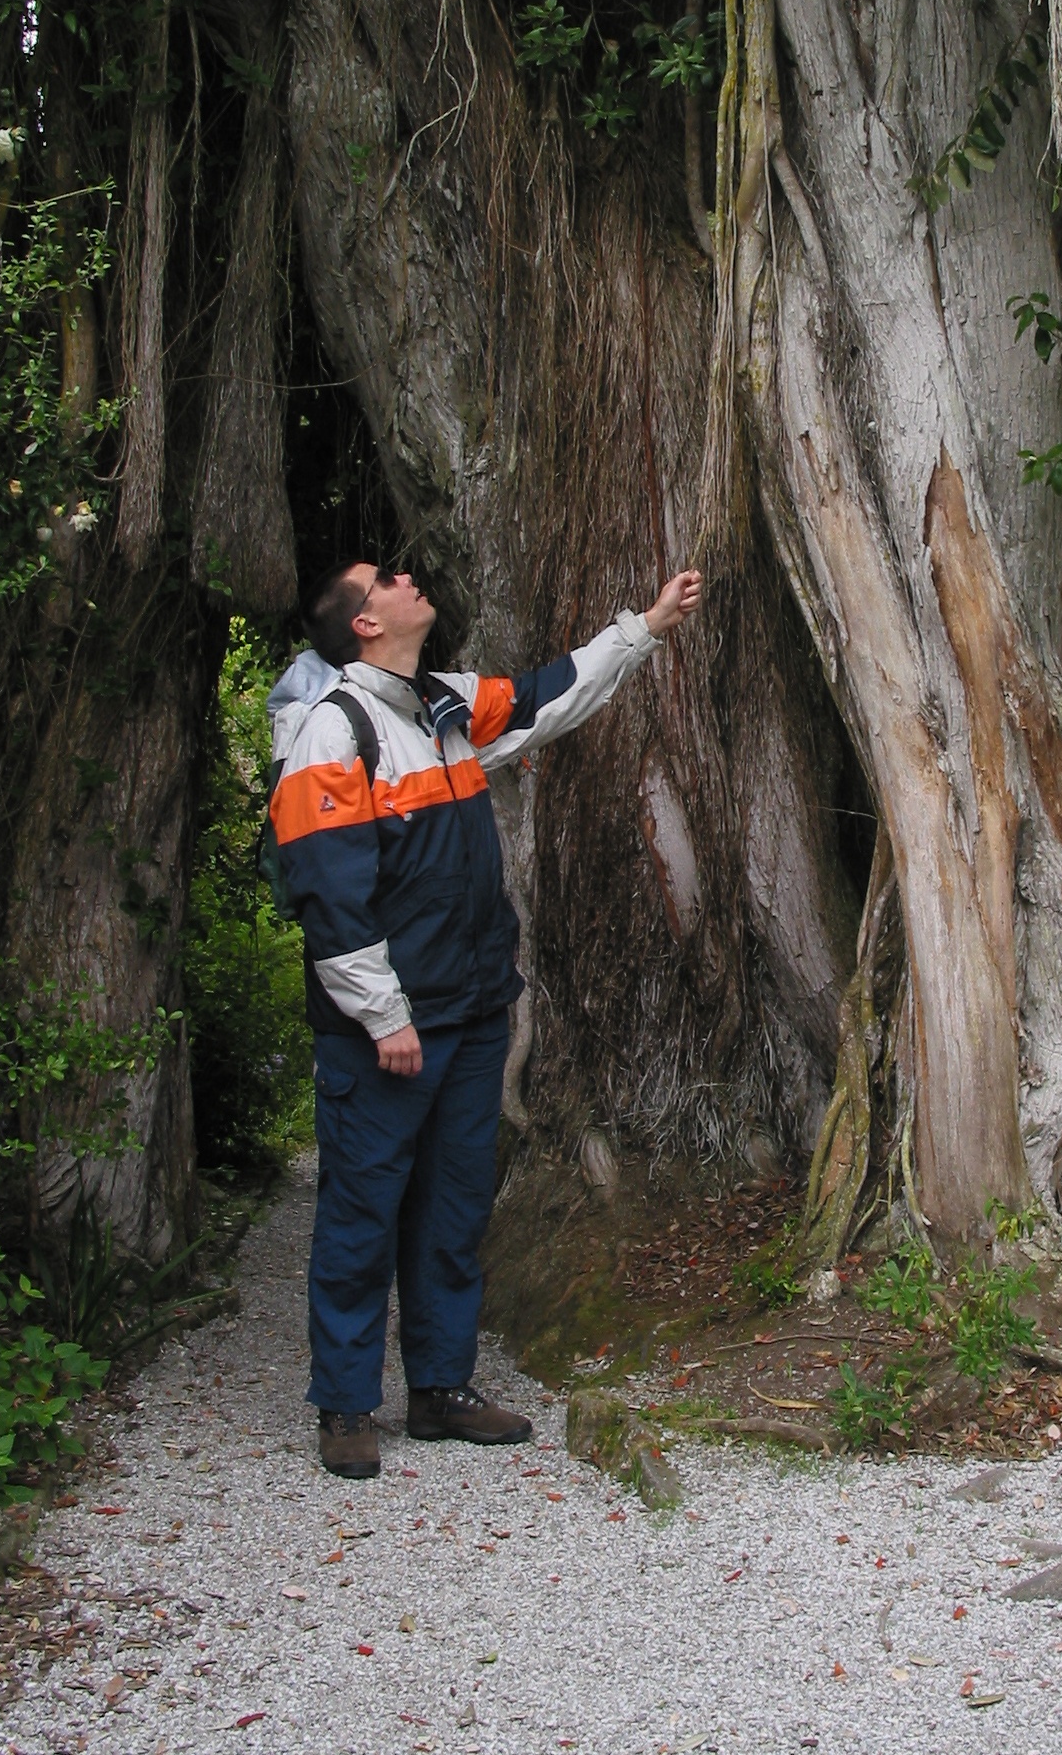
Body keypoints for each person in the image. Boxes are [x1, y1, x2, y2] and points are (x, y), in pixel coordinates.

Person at [267, 559, 702, 1478]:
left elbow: (548, 696)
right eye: (386, 577)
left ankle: (440, 1390)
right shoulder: (332, 733)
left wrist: (647, 627)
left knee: (454, 1210)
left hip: (470, 1015)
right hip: (385, 1032)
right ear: (366, 624)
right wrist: (385, 1018)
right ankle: (345, 1402)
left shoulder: (446, 707)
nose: (409, 575)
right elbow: (327, 898)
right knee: (361, 1210)